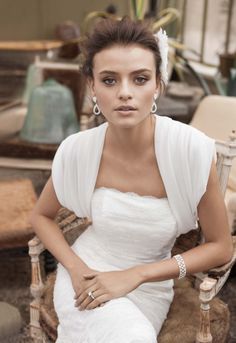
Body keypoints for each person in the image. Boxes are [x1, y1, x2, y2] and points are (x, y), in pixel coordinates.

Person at [30, 17, 233, 343]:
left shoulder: (190, 151)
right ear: (92, 85)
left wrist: (137, 275)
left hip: (150, 288)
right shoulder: (78, 151)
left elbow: (221, 248)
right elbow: (40, 216)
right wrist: (76, 269)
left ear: (158, 85)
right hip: (86, 276)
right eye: (109, 80)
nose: (125, 93)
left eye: (140, 79)